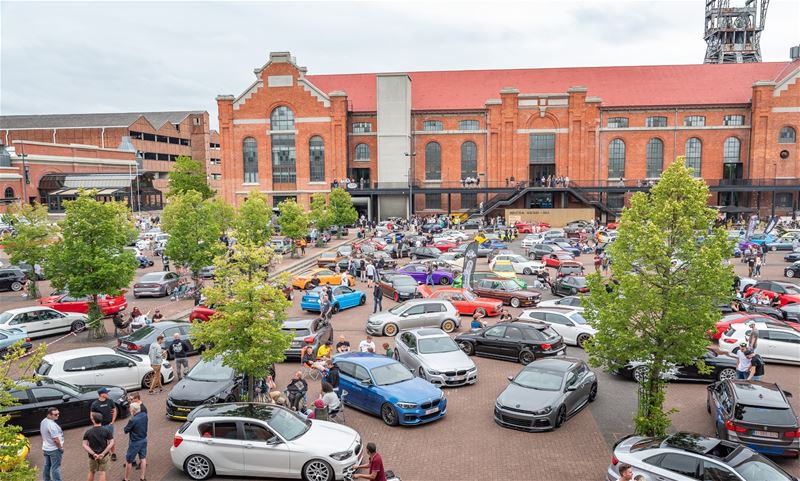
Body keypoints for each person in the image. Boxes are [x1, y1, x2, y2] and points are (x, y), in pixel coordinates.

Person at [82, 412, 115, 481]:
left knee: (92, 471)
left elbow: (84, 445)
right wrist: (103, 453)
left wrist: (93, 454)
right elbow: (111, 442)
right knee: (102, 473)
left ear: (93, 420)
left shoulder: (88, 432)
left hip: (92, 456)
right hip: (104, 456)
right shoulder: (106, 430)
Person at [89, 388, 117, 461]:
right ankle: (104, 454)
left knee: (111, 440)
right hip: (100, 426)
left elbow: (114, 410)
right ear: (102, 394)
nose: (108, 394)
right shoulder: (95, 404)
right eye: (106, 393)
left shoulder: (110, 401)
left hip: (109, 425)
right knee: (102, 441)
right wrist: (96, 424)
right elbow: (92, 415)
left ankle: (113, 453)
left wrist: (113, 421)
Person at [123, 402, 147, 481]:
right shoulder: (144, 415)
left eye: (130, 409)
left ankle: (126, 479)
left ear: (133, 410)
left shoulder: (133, 420)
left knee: (129, 461)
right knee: (143, 458)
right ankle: (142, 478)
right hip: (144, 440)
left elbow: (126, 430)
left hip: (135, 442)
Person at [41, 407, 64, 481]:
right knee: (56, 467)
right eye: (55, 414)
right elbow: (56, 440)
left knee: (47, 465)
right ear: (49, 415)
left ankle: (46, 479)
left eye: (58, 414)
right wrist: (60, 448)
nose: (58, 415)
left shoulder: (43, 421)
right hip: (54, 449)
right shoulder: (52, 425)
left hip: (46, 448)